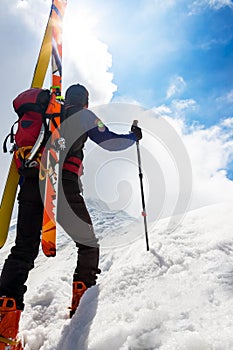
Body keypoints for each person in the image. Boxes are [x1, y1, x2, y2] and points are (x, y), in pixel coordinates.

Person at [0, 84, 142, 341]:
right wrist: (133, 137)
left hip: (32, 181)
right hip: (62, 182)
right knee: (87, 243)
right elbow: (110, 141)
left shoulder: (48, 113)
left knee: (23, 250)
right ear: (85, 101)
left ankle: (4, 328)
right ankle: (81, 304)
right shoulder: (84, 115)